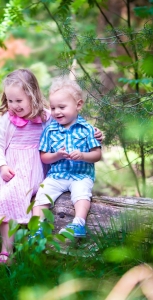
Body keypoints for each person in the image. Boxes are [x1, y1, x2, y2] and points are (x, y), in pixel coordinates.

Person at [0, 70, 103, 269]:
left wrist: (95, 133)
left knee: (10, 196)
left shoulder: (47, 117)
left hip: (32, 169)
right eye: (10, 100)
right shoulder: (6, 119)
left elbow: (71, 122)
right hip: (9, 167)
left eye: (19, 100)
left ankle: (6, 253)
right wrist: (2, 166)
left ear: (33, 95)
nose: (15, 105)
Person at [32, 77, 102, 238]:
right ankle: (37, 228)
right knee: (43, 193)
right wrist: (56, 155)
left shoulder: (88, 130)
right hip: (57, 175)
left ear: (78, 105)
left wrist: (83, 156)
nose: (57, 112)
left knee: (82, 193)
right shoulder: (50, 130)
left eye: (62, 107)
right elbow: (44, 157)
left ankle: (78, 224)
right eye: (53, 107)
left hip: (81, 175)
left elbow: (97, 155)